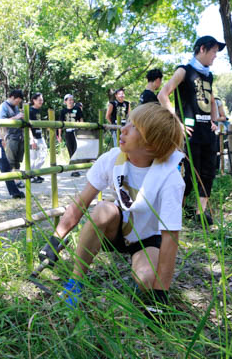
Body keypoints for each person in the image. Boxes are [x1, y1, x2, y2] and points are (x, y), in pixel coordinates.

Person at [39, 103, 185, 308]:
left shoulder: (169, 178)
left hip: (147, 239)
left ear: (151, 145)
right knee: (102, 209)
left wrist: (161, 293)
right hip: (117, 228)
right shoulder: (113, 159)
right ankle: (75, 283)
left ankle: (142, 278)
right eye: (126, 123)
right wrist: (55, 239)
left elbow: (171, 238)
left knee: (147, 280)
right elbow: (82, 202)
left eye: (134, 127)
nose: (123, 129)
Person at [157, 36, 221, 225]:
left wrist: (214, 121)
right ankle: (179, 208)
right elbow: (163, 94)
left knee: (209, 171)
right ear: (202, 49)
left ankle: (201, 214)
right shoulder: (184, 71)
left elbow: (211, 101)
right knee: (191, 174)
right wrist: (178, 123)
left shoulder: (209, 75)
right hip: (189, 133)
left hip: (207, 132)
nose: (215, 56)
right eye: (213, 52)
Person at [0, 89, 25, 187]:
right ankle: (12, 182)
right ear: (12, 97)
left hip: (19, 136)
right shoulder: (3, 107)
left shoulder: (15, 107)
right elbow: (1, 122)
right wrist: (3, 138)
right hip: (10, 137)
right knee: (11, 161)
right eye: (17, 101)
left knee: (18, 161)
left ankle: (17, 179)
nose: (17, 103)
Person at [58, 94, 84, 177]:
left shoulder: (77, 109)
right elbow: (60, 124)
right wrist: (59, 135)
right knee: (70, 150)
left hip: (76, 131)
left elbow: (81, 120)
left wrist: (82, 129)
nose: (71, 101)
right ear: (65, 101)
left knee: (77, 149)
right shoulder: (63, 111)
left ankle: (76, 168)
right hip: (68, 132)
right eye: (69, 100)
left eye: (72, 100)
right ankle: (73, 169)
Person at [29, 93, 47, 183]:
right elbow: (27, 126)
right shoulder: (30, 111)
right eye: (39, 100)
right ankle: (31, 176)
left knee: (43, 155)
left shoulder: (39, 111)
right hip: (33, 138)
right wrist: (31, 139)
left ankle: (35, 173)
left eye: (42, 100)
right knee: (33, 158)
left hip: (40, 136)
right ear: (34, 100)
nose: (41, 101)